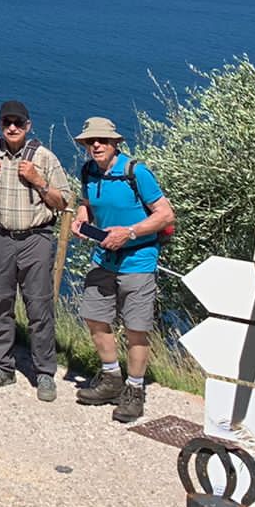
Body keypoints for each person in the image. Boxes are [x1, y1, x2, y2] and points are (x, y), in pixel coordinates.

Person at [72, 115, 175, 424]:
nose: (96, 145)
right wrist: (82, 221)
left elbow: (166, 214)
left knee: (136, 328)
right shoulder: (89, 172)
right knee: (95, 317)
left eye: (102, 140)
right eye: (91, 141)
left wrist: (128, 233)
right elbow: (86, 204)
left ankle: (134, 390)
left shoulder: (136, 172)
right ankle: (110, 378)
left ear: (116, 144)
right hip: (104, 259)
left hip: (138, 261)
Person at [0, 100, 69, 400]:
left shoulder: (43, 157)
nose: (12, 128)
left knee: (38, 307)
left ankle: (44, 372)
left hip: (35, 239)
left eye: (18, 123)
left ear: (28, 126)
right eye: (6, 123)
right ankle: (2, 366)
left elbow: (63, 202)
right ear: (0, 125)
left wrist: (39, 181)